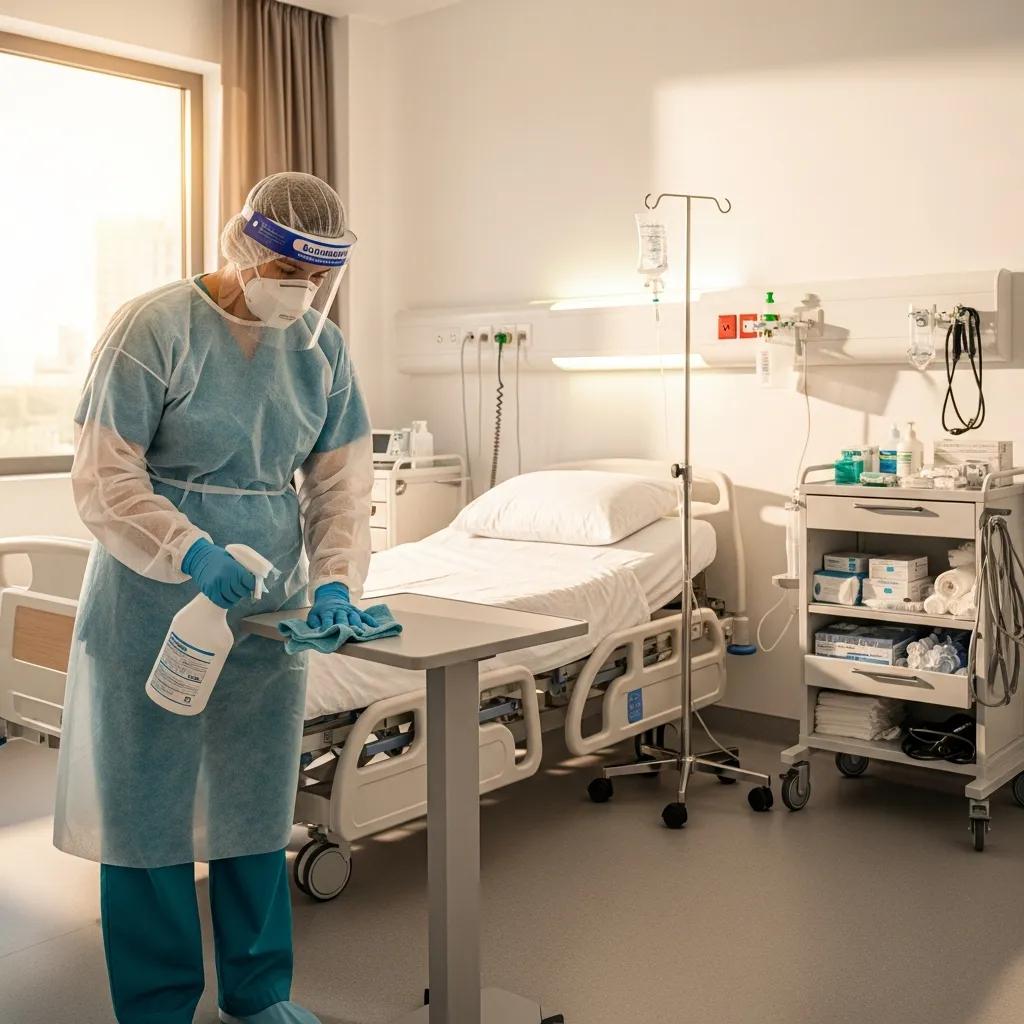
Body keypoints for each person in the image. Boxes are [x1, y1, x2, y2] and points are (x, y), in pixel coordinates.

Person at [53, 172, 375, 1024]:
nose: (296, 292)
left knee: (257, 795)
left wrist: (335, 578)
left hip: (268, 602)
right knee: (146, 804)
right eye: (284, 269)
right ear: (244, 245)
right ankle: (157, 1004)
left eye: (313, 279)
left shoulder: (321, 349)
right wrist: (187, 549)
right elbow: (103, 472)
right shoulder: (153, 327)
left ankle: (259, 992)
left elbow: (340, 486)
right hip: (153, 596)